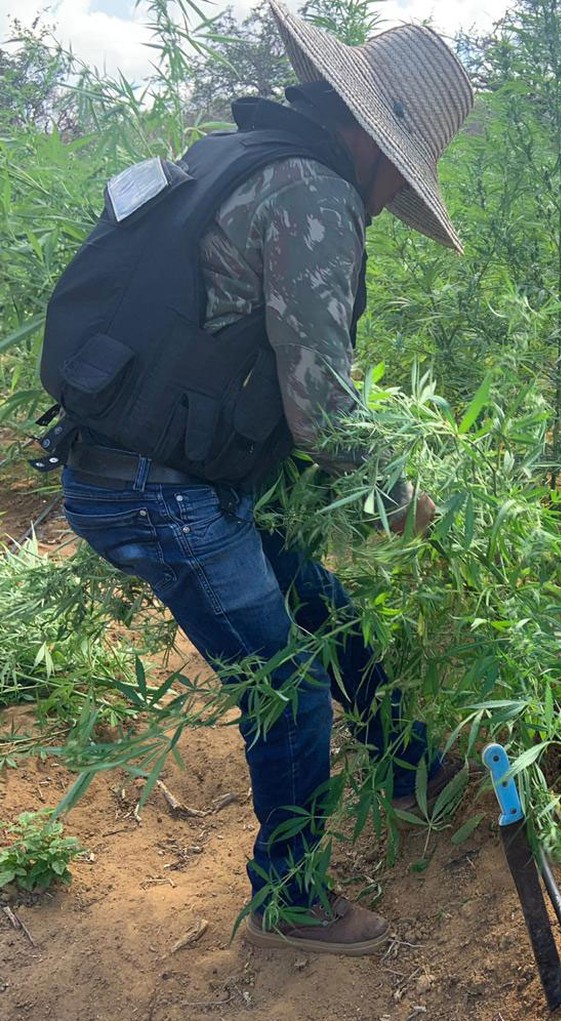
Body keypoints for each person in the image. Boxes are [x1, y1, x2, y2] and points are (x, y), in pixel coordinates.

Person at [35, 0, 474, 956]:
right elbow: (319, 405)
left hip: (159, 466)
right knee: (289, 685)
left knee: (324, 603)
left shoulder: (233, 154)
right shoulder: (313, 193)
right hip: (164, 490)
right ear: (370, 136)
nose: (392, 198)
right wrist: (401, 499)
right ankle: (290, 899)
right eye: (398, 175)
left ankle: (410, 765)